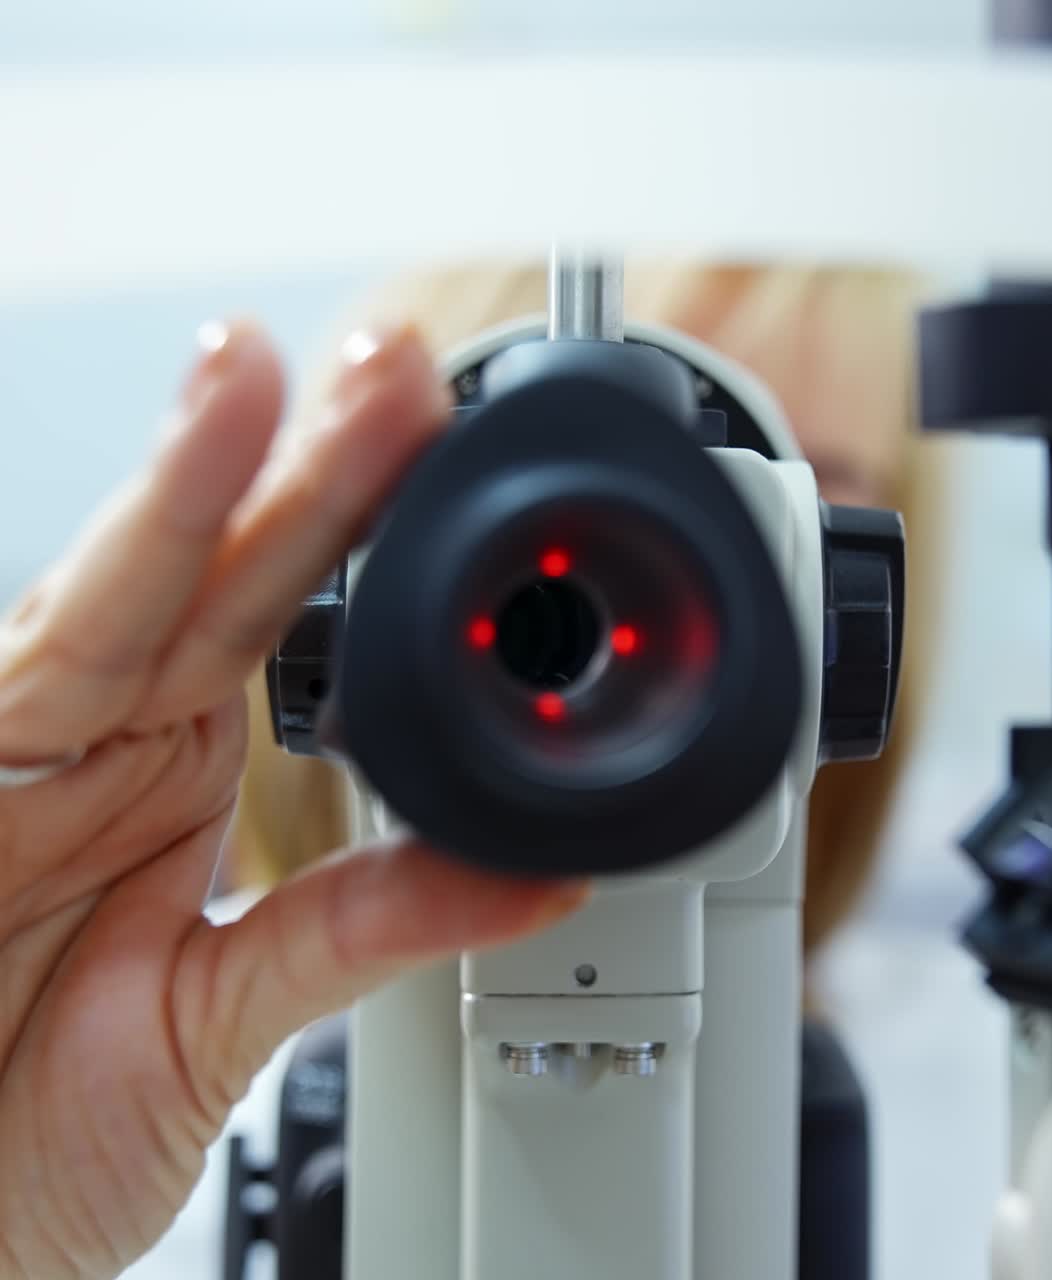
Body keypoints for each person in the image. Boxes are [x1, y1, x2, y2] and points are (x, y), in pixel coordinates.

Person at [0, 262, 939, 1280]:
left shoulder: (958, 1074)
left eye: (736, 505)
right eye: (621, 489)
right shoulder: (133, 1045)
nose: (669, 589)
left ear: (839, 601)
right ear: (349, 592)